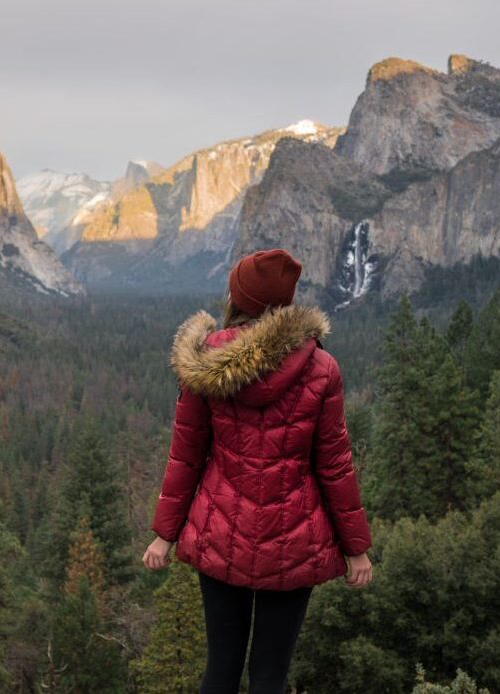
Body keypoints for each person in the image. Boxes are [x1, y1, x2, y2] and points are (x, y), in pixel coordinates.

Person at [142, 248, 373, 694]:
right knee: (270, 677)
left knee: (221, 670)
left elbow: (186, 455)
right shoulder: (322, 369)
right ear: (285, 304)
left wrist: (164, 535)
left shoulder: (203, 365)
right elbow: (335, 465)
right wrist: (356, 548)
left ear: (238, 297)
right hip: (295, 538)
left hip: (220, 530)